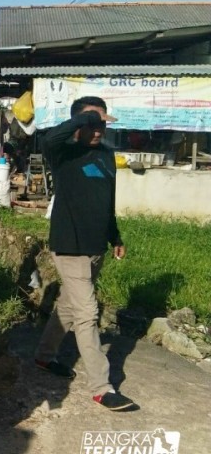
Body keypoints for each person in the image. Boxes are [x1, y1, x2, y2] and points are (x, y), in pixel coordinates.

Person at [33, 96, 136, 411]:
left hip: (95, 246)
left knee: (68, 305)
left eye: (102, 124)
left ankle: (43, 357)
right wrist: (85, 118)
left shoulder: (106, 155)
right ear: (78, 124)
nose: (98, 130)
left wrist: (115, 236)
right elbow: (49, 139)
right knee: (88, 313)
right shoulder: (63, 152)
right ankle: (101, 387)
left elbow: (108, 201)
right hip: (69, 246)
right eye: (92, 124)